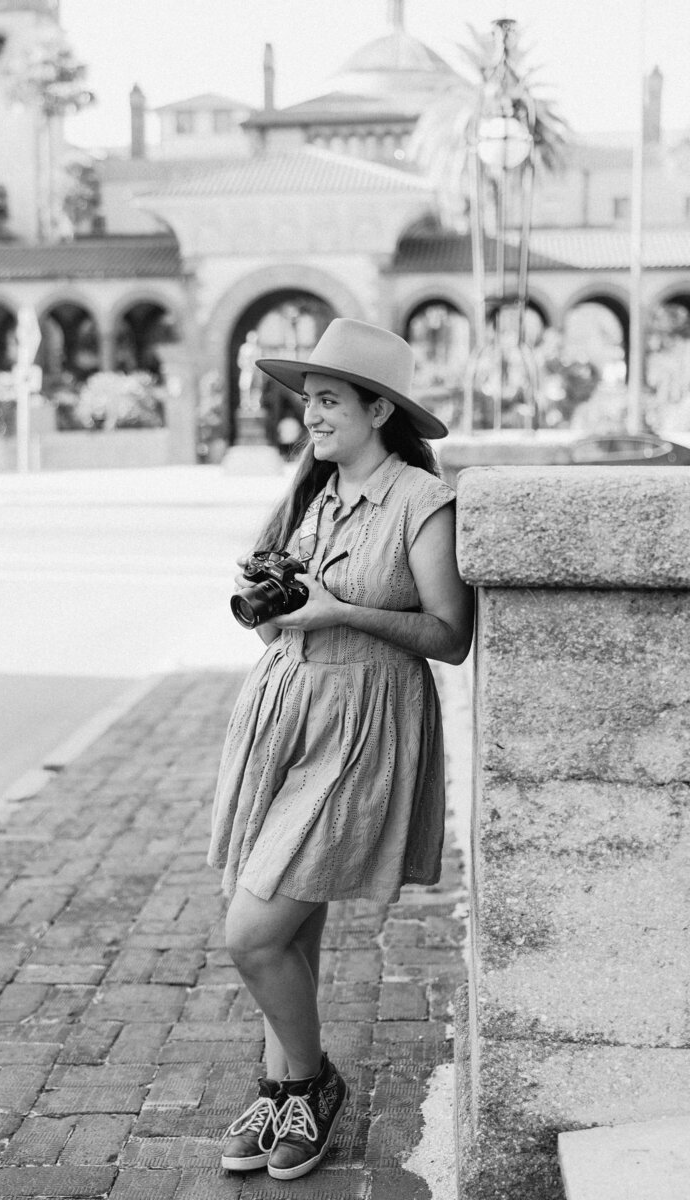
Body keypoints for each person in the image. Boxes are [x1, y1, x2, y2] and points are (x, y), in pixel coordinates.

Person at [207, 318, 474, 1181]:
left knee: (253, 930)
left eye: (328, 400)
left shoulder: (419, 504)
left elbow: (449, 635)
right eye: (308, 400)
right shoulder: (309, 496)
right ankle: (279, 1088)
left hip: (361, 727)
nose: (311, 416)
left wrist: (338, 610)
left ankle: (314, 1083)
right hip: (283, 713)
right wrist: (276, 607)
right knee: (295, 921)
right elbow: (281, 613)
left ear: (378, 409)